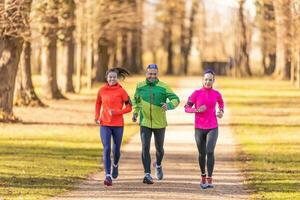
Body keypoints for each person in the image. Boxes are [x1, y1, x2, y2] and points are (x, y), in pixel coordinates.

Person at [132, 63, 180, 184]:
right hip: (145, 122)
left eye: (154, 74)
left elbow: (176, 99)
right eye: (150, 74)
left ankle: (158, 164)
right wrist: (135, 113)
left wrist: (168, 105)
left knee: (159, 149)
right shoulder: (140, 86)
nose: (152, 76)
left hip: (160, 123)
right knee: (145, 147)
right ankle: (147, 174)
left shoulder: (164, 87)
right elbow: (136, 101)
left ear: (157, 74)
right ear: (146, 74)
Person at [184, 69, 224, 189]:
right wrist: (196, 110)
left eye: (210, 80)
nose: (207, 82)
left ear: (213, 81)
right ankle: (203, 176)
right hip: (199, 128)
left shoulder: (216, 94)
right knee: (202, 153)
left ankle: (210, 178)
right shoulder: (196, 93)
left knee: (210, 151)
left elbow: (221, 103)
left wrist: (221, 111)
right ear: (203, 80)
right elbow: (186, 107)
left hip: (212, 126)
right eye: (206, 79)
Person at [95, 67, 132, 186]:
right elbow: (98, 103)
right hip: (105, 124)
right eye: (110, 77)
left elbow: (129, 107)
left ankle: (115, 164)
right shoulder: (101, 90)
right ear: (106, 78)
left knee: (116, 150)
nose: (112, 79)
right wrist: (97, 116)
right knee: (106, 148)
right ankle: (108, 175)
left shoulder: (122, 91)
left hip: (118, 125)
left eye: (114, 77)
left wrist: (117, 112)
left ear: (117, 78)